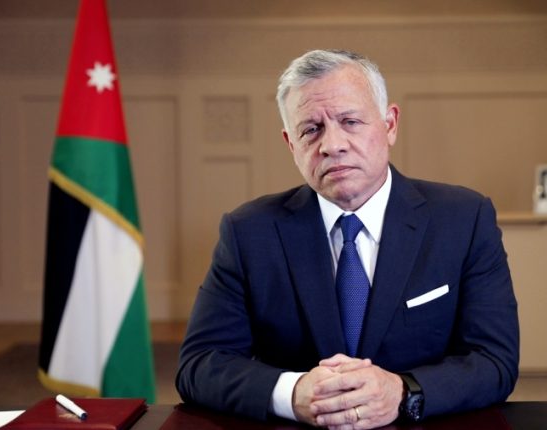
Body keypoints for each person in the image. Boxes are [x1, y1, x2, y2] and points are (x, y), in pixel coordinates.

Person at [176, 49, 519, 429]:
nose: (332, 145)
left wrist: (403, 392)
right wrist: (293, 392)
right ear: (291, 144)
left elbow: (494, 361)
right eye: (311, 130)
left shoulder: (464, 219)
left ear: (390, 125)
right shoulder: (248, 232)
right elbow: (200, 364)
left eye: (350, 121)